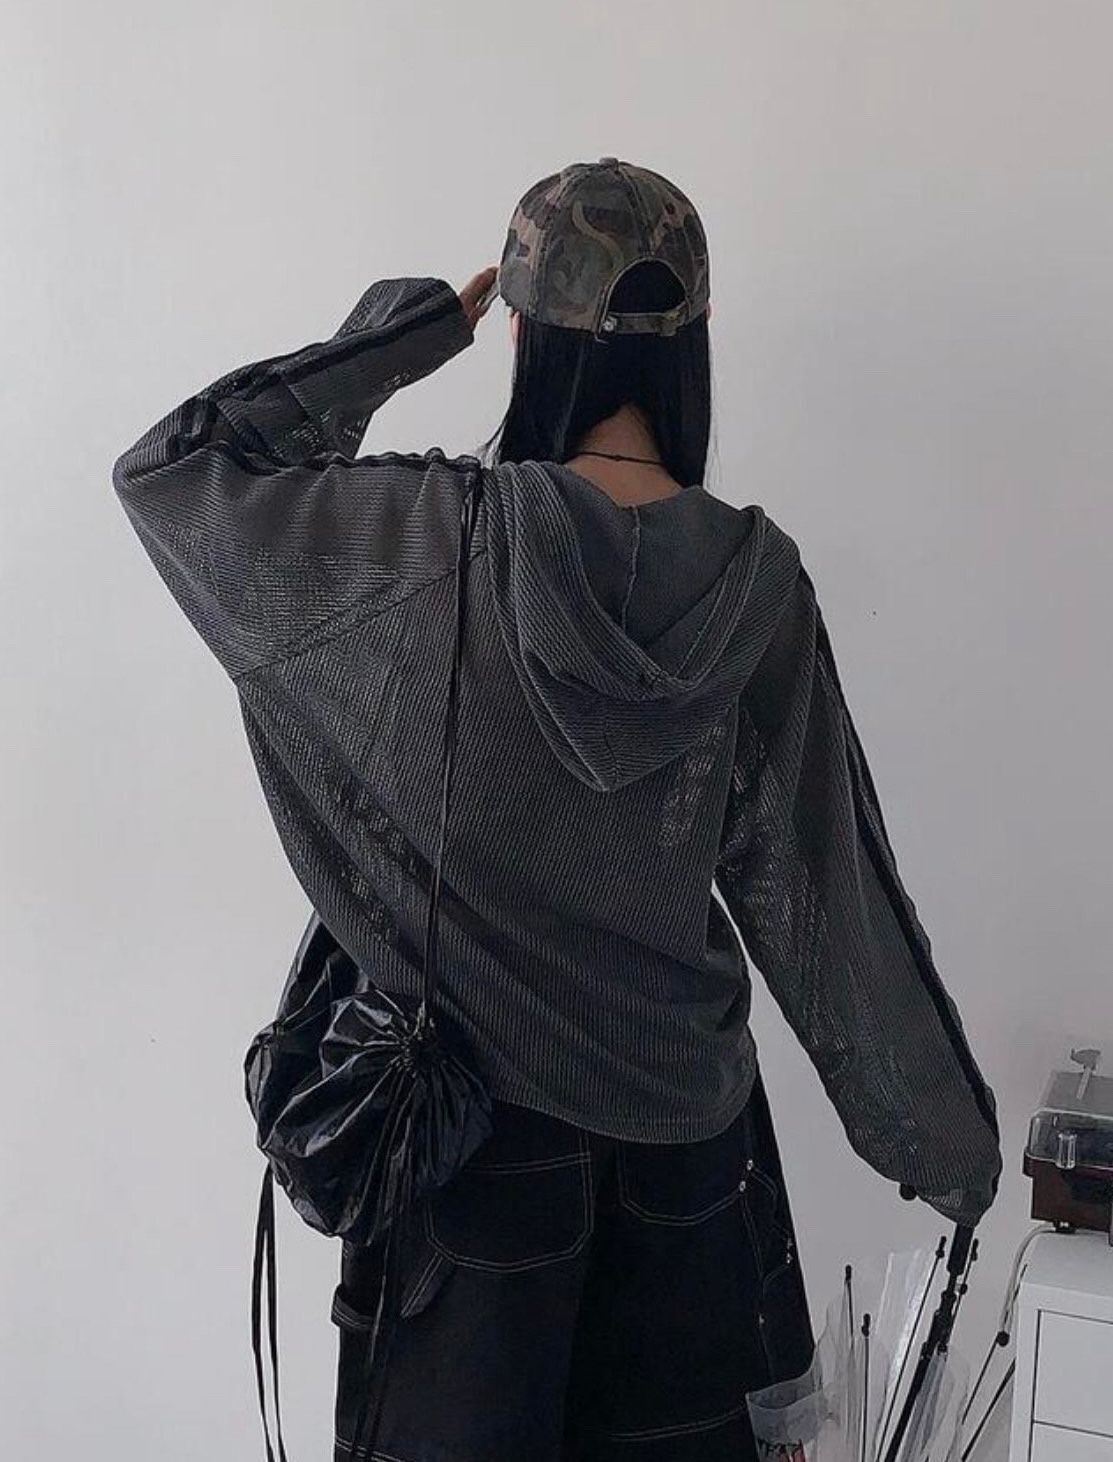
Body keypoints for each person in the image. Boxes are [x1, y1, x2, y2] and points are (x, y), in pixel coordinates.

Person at [113, 156, 1003, 1461]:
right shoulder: (757, 586)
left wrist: (412, 332)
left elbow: (179, 474)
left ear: (527, 335)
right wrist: (946, 1150)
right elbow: (825, 891)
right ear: (695, 341)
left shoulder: (428, 541)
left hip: (469, 1162)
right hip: (690, 1166)